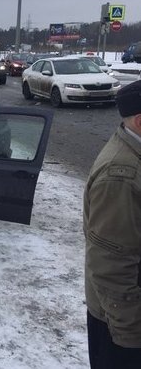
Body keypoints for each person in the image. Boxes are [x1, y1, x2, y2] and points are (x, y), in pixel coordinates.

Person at [84, 79, 141, 368]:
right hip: (123, 324)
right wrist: (131, 337)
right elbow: (110, 266)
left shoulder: (134, 153)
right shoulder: (121, 177)